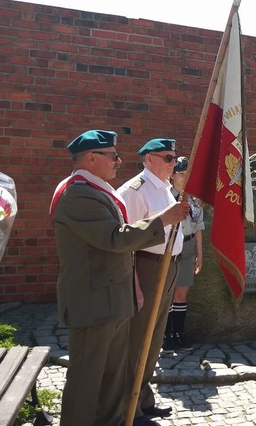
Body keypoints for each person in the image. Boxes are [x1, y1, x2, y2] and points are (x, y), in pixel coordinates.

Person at [50, 130, 187, 426]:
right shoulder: (78, 193)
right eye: (112, 156)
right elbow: (115, 238)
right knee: (88, 378)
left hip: (111, 294)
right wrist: (163, 219)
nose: (119, 161)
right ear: (91, 158)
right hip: (93, 298)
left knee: (111, 376)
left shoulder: (97, 190)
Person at [117, 138, 184, 422]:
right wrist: (133, 282)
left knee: (154, 339)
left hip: (168, 266)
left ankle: (143, 399)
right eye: (168, 158)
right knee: (137, 340)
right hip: (146, 267)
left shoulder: (165, 188)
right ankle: (128, 407)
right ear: (149, 159)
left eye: (174, 158)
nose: (173, 163)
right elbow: (126, 242)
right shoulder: (136, 190)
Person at [162, 156, 205, 352]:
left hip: (187, 247)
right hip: (169, 248)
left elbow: (198, 228)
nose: (185, 177)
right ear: (172, 176)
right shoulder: (165, 197)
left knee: (181, 294)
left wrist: (199, 255)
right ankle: (166, 335)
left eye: (188, 174)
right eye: (181, 173)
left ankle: (179, 333)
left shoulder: (194, 200)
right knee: (167, 294)